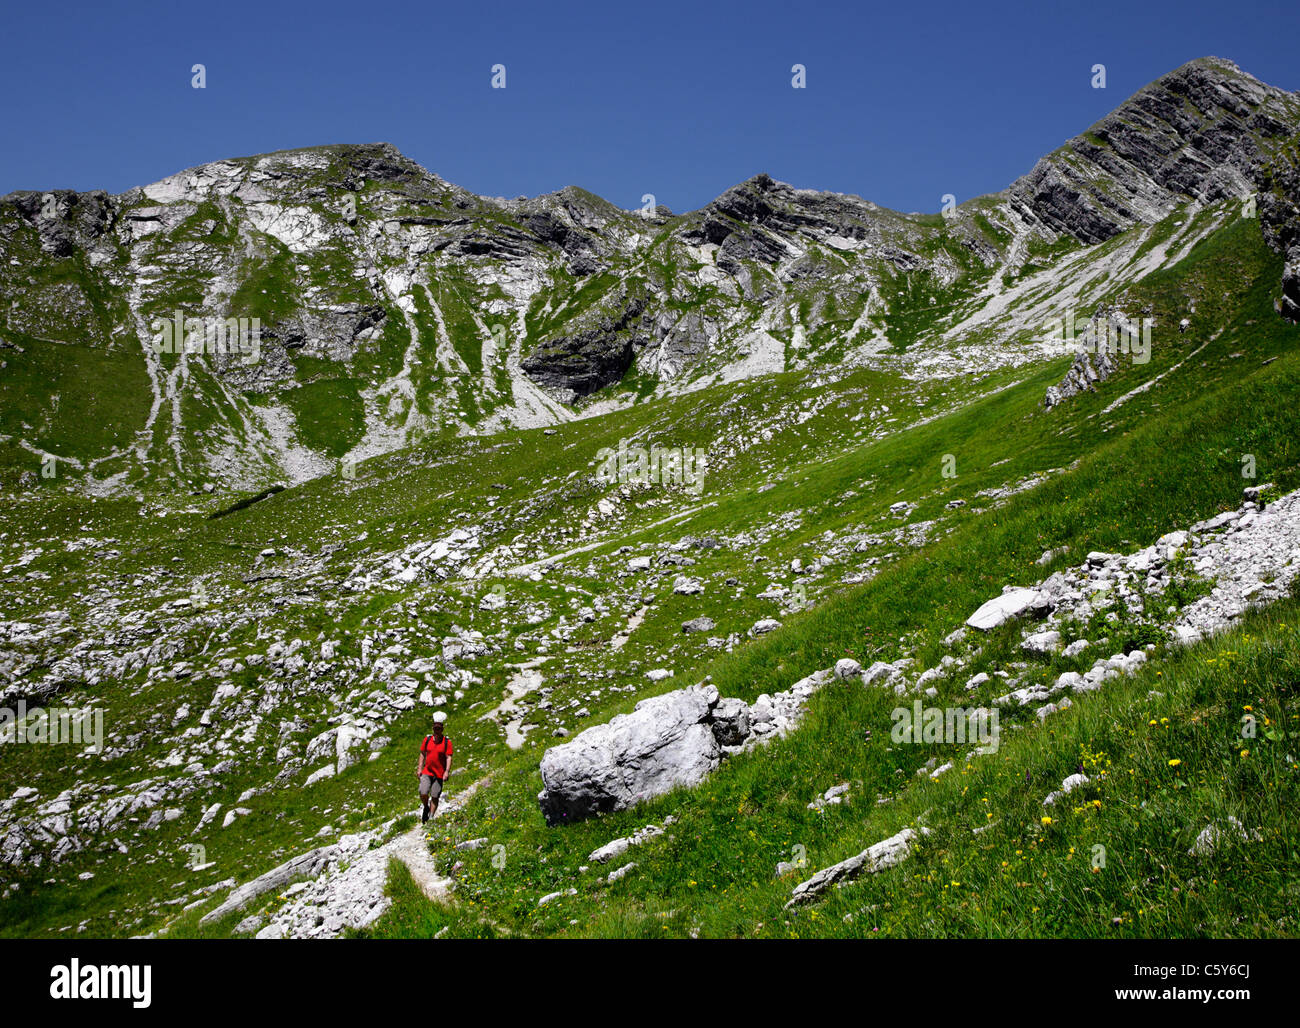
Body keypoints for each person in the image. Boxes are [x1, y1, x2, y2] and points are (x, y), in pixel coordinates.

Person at [417, 711, 453, 824]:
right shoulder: (427, 740)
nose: (436, 731)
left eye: (439, 728)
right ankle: (426, 807)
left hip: (439, 773)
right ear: (433, 728)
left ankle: (431, 817)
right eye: (435, 728)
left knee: (435, 795)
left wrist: (446, 771)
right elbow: (422, 753)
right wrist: (419, 768)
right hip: (427, 771)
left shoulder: (447, 742)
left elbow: (448, 757)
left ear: (442, 729)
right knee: (423, 792)